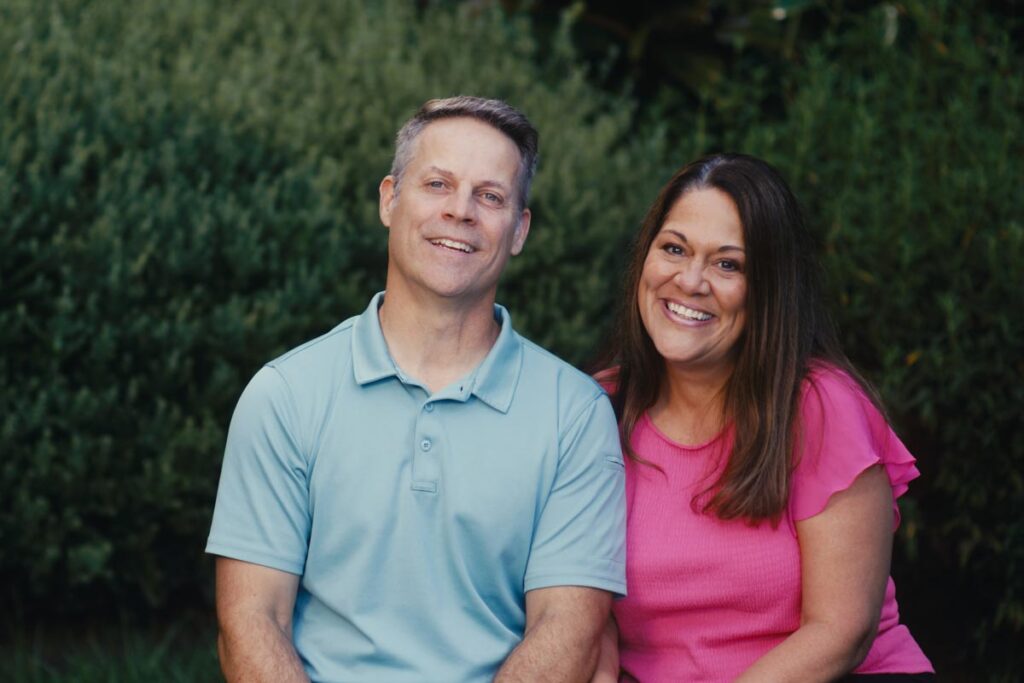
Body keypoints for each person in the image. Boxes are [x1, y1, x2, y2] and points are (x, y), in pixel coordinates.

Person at [206, 96, 626, 682]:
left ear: (519, 230)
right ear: (389, 199)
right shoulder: (284, 396)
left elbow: (568, 630)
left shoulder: (576, 414)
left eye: (491, 196)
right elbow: (253, 620)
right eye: (437, 184)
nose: (461, 212)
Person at [592, 153, 934, 682]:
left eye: (728, 264)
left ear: (769, 289)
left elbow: (842, 630)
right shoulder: (595, 411)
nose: (691, 280)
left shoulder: (820, 407)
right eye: (674, 249)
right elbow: (575, 601)